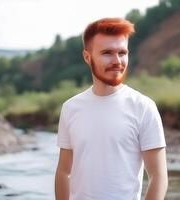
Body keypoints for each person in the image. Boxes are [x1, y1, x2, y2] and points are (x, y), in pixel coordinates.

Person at [55, 18, 168, 200]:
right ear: (87, 57)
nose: (117, 61)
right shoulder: (70, 108)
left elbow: (158, 177)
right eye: (107, 53)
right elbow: (63, 172)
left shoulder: (144, 107)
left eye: (122, 53)